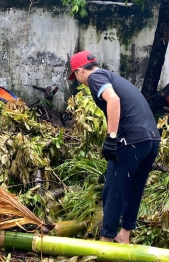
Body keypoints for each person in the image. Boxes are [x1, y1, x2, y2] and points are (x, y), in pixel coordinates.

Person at [68, 51, 160, 243]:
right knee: (135, 188)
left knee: (114, 188)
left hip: (131, 140)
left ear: (79, 72)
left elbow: (114, 100)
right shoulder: (114, 77)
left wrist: (111, 138)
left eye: (75, 77)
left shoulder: (95, 77)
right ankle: (124, 235)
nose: (78, 81)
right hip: (151, 140)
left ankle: (107, 239)